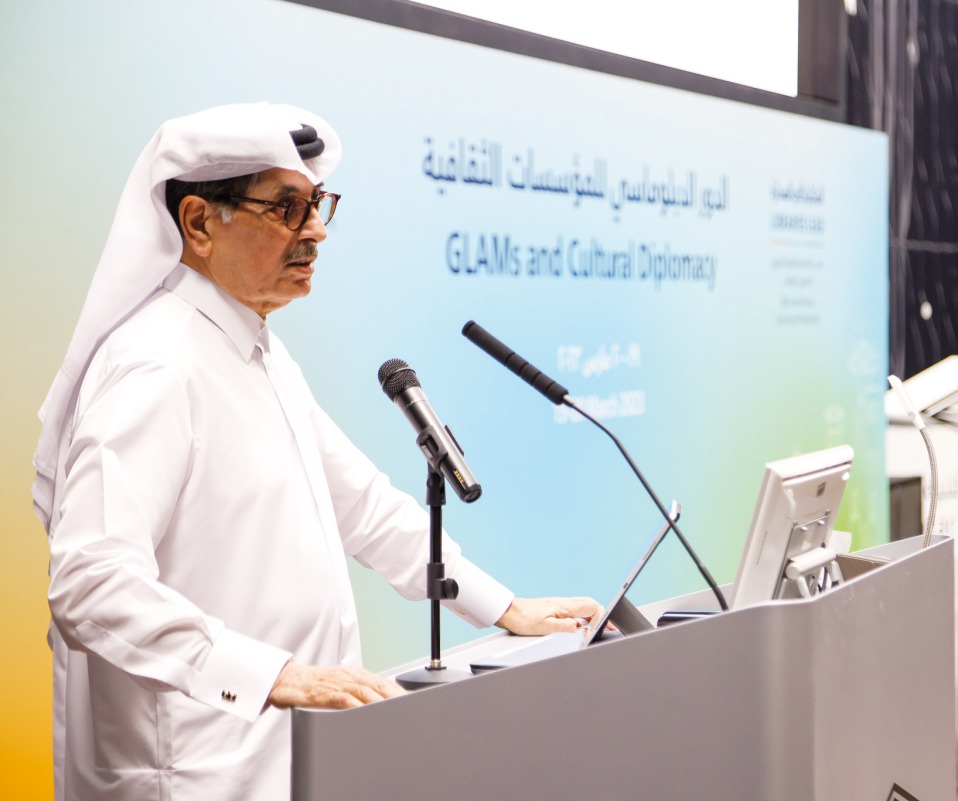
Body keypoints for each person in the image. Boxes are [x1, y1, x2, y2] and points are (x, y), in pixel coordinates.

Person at [34, 103, 603, 801]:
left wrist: (502, 606)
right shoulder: (157, 364)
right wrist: (275, 673)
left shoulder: (254, 350)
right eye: (287, 208)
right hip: (191, 776)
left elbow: (364, 507)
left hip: (279, 764)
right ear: (199, 224)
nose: (317, 230)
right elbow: (89, 579)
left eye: (317, 205)